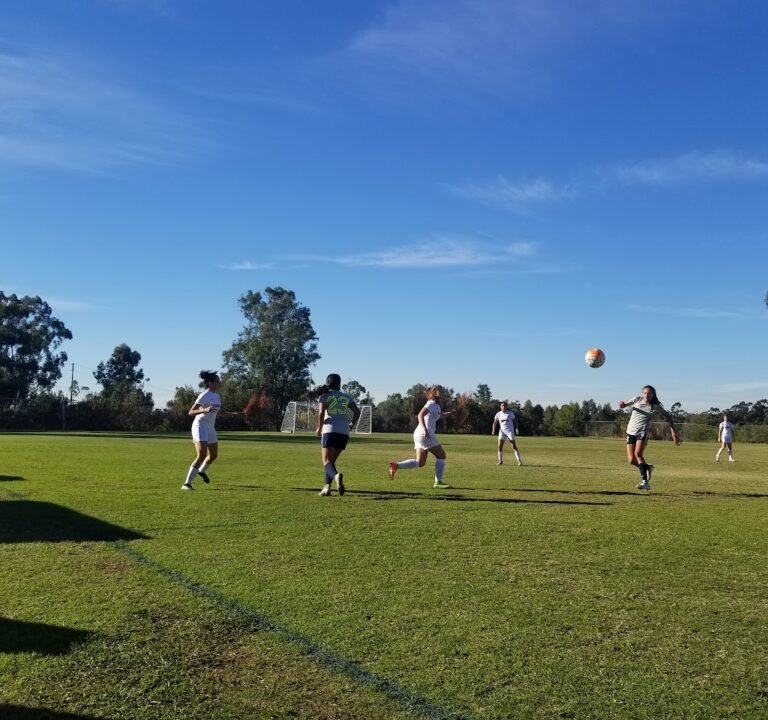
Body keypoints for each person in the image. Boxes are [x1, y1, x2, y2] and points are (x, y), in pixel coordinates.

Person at [182, 370, 240, 490]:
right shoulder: (204, 395)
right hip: (200, 426)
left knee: (213, 455)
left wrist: (235, 414)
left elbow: (219, 412)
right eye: (217, 381)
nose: (219, 383)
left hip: (210, 427)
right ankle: (186, 484)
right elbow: (191, 411)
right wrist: (204, 410)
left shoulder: (217, 396)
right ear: (210, 383)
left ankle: (201, 471)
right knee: (202, 455)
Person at [618, 385, 681, 491]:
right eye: (645, 393)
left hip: (642, 432)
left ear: (653, 395)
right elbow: (624, 405)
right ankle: (647, 467)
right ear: (642, 393)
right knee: (631, 460)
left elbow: (668, 416)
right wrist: (622, 404)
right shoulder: (636, 399)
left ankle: (645, 483)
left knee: (638, 454)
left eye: (649, 393)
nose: (647, 395)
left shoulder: (655, 406)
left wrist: (673, 432)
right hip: (630, 431)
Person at [389, 385, 452, 489]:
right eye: (440, 390)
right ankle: (438, 482)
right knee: (441, 456)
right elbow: (420, 415)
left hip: (419, 434)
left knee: (420, 462)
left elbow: (438, 415)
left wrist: (448, 414)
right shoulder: (431, 403)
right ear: (434, 392)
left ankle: (395, 466)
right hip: (424, 434)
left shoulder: (436, 405)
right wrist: (426, 430)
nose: (443, 392)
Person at [309, 374, 360, 497]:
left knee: (326, 461)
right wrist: (352, 424)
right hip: (344, 432)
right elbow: (357, 411)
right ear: (339, 384)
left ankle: (336, 476)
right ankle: (326, 488)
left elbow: (321, 413)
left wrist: (319, 428)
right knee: (331, 462)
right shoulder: (346, 396)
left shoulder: (325, 395)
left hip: (330, 429)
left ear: (327, 383)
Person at [491, 401, 523, 466]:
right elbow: (495, 422)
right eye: (502, 405)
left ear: (506, 407)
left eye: (504, 405)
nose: (503, 407)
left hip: (510, 432)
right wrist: (493, 430)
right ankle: (500, 461)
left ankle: (519, 461)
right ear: (500, 406)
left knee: (513, 446)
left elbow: (515, 421)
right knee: (500, 447)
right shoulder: (498, 414)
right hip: (502, 432)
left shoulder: (510, 413)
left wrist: (516, 429)